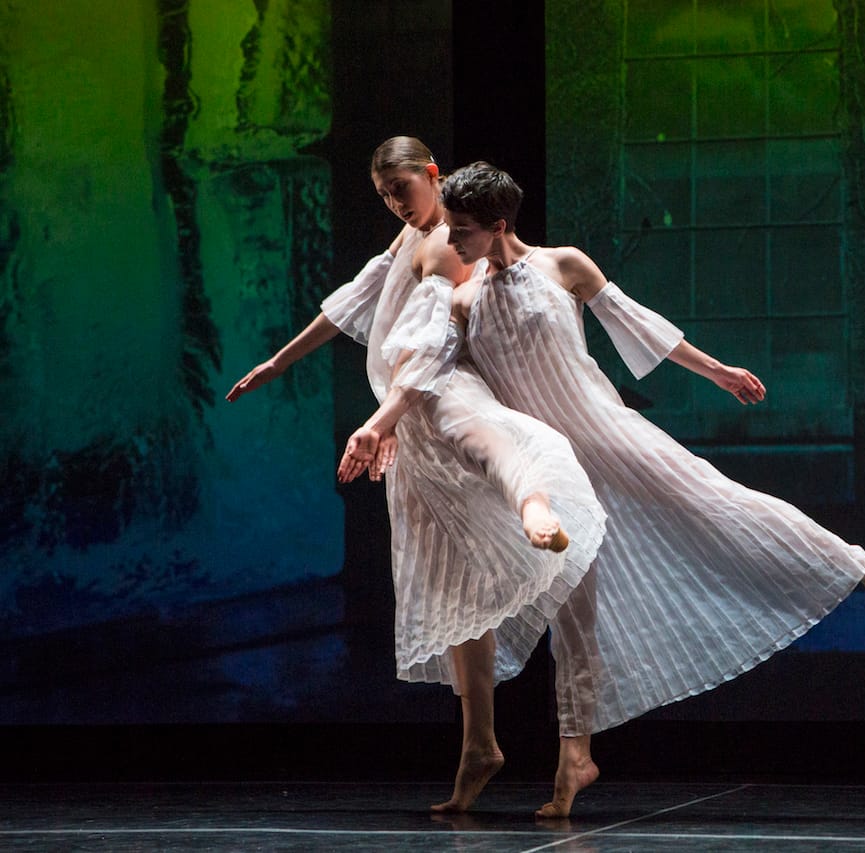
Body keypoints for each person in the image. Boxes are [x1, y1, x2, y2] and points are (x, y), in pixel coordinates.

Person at [438, 161, 865, 818]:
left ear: (500, 224)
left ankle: (863, 567)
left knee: (720, 502)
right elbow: (448, 388)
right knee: (572, 612)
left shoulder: (563, 266)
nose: (451, 239)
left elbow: (639, 324)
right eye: (449, 225)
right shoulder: (465, 300)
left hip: (610, 434)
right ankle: (574, 759)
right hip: (550, 469)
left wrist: (718, 370)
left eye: (463, 228)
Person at [226, 138, 608, 814]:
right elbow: (347, 303)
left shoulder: (452, 243)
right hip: (410, 435)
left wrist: (381, 419)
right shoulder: (405, 242)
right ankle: (479, 744)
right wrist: (278, 364)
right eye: (383, 195)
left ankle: (535, 510)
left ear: (432, 176)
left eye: (401, 188)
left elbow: (434, 347)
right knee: (450, 585)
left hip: (434, 399)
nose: (394, 202)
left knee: (504, 454)